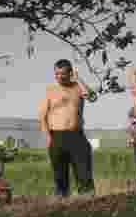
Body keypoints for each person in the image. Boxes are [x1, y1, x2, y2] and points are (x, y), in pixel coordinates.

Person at [38, 59, 95, 197]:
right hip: (56, 136)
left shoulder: (78, 88)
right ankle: (62, 204)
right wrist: (48, 138)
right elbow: (42, 116)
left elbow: (92, 97)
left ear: (70, 73)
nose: (58, 77)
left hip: (76, 136)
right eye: (56, 74)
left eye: (62, 74)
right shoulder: (51, 91)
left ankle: (88, 203)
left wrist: (79, 79)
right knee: (60, 178)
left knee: (84, 175)